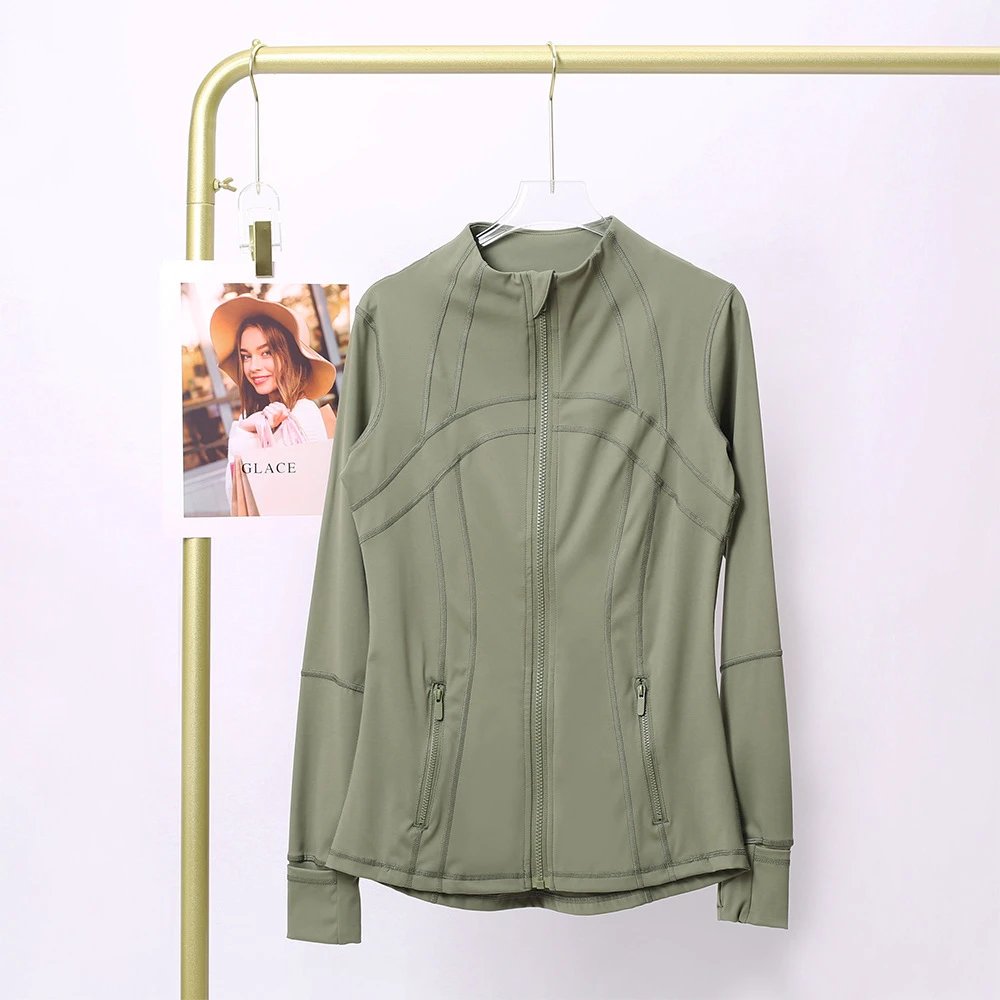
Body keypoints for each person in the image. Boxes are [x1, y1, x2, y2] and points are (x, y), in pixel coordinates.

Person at [209, 292, 336, 514]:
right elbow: (237, 497)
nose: (253, 367)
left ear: (290, 355)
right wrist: (247, 430)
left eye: (266, 352)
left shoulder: (303, 413)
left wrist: (249, 436)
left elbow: (291, 496)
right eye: (246, 356)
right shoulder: (251, 417)